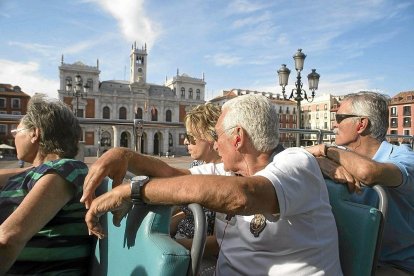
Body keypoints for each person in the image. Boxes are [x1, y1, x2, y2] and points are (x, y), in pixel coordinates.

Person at [82, 94, 342, 275]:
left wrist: (133, 190)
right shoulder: (227, 171)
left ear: (238, 138)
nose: (215, 144)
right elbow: (171, 175)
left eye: (217, 136)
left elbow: (242, 196)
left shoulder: (296, 162)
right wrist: (123, 156)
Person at [305, 91, 414, 275]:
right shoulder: (340, 154)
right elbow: (287, 160)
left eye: (340, 118)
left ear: (361, 124)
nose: (334, 124)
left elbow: (367, 172)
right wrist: (316, 160)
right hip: (345, 257)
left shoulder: (403, 157)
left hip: (393, 266)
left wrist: (326, 149)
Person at [0, 94, 91, 275]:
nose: (15, 138)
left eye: (16, 133)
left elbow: (9, 238)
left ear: (35, 133)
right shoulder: (33, 173)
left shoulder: (65, 170)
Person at [170, 103, 225, 275]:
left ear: (210, 137)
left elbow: (219, 242)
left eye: (190, 136)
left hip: (200, 257)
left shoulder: (228, 177)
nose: (185, 141)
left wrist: (171, 247)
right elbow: (182, 207)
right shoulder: (197, 164)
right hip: (179, 242)